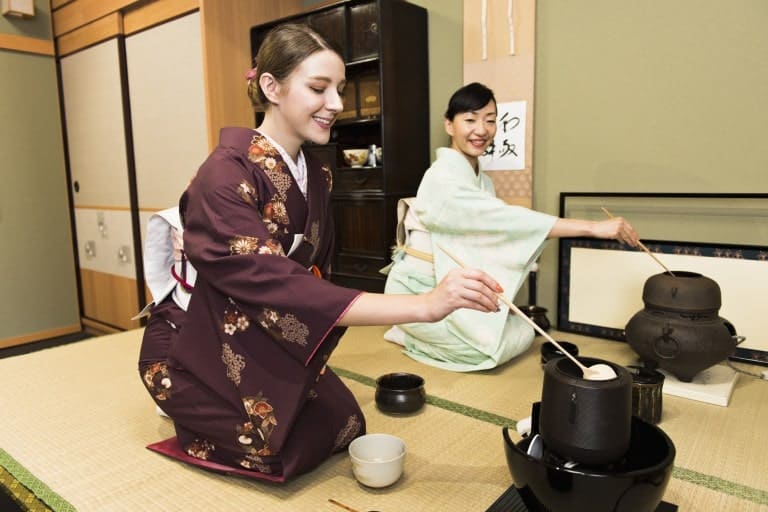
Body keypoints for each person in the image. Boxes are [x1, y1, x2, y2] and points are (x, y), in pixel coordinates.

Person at [137, 25, 503, 482]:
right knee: (278, 448)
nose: (336, 103)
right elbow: (277, 282)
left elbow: (313, 275)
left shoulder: (316, 172)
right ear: (271, 86)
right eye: (318, 88)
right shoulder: (222, 174)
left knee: (346, 423)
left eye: (340, 90)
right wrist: (425, 306)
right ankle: (191, 402)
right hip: (199, 342)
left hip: (261, 328)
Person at [382, 82, 639, 372]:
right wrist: (592, 228)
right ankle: (406, 332)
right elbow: (503, 221)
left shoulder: (483, 181)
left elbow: (490, 238)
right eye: (469, 119)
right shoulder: (442, 176)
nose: (481, 129)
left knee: (525, 332)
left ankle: (423, 332)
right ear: (449, 125)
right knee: (484, 354)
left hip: (450, 291)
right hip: (416, 293)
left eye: (490, 120)